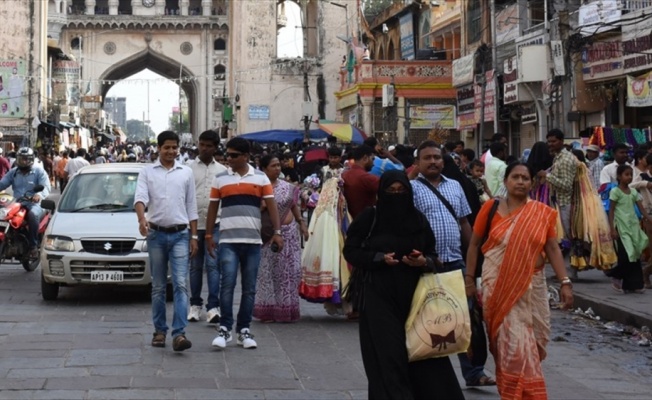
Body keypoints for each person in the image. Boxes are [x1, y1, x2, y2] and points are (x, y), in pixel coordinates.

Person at [343, 170, 464, 400]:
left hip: (416, 297)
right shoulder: (370, 218)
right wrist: (378, 258)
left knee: (423, 355)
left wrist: (422, 261)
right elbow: (351, 250)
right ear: (382, 193)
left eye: (401, 191)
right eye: (391, 191)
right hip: (379, 296)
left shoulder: (418, 219)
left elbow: (432, 255)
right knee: (389, 356)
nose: (396, 196)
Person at [465, 162, 574, 400]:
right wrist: (469, 280)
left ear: (532, 183)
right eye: (515, 177)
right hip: (499, 286)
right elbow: (474, 245)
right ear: (505, 181)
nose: (521, 182)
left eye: (525, 178)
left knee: (532, 344)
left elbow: (552, 248)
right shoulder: (491, 208)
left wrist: (565, 281)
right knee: (513, 345)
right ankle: (518, 394)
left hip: (533, 286)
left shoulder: (542, 212)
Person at [411, 140, 495, 387]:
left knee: (466, 318)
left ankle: (474, 372)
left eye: (437, 157)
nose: (433, 162)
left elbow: (464, 223)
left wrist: (474, 257)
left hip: (456, 261)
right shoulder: (412, 189)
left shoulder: (456, 186)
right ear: (417, 163)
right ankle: (426, 375)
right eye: (427, 158)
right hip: (426, 264)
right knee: (429, 320)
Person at [205, 137, 284, 350]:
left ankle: (244, 330)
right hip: (228, 240)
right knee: (227, 285)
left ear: (245, 157)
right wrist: (209, 236)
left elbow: (272, 206)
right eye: (227, 154)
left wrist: (278, 232)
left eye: (233, 155)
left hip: (252, 242)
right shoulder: (220, 178)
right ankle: (225, 328)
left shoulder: (260, 179)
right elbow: (213, 208)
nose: (228, 158)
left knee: (249, 289)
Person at [134, 131, 199, 352]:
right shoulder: (147, 172)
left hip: (181, 234)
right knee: (159, 286)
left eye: (174, 147)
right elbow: (140, 199)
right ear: (158, 148)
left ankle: (179, 334)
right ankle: (159, 331)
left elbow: (191, 206)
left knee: (181, 284)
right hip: (156, 235)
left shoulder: (186, 173)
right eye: (166, 148)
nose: (171, 151)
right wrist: (142, 219)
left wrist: (194, 236)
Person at [254, 155, 309, 323]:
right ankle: (268, 311)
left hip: (289, 233)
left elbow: (294, 206)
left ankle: (286, 309)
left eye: (278, 165)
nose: (277, 168)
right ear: (264, 168)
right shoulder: (257, 187)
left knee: (288, 272)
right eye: (273, 166)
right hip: (267, 234)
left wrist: (301, 223)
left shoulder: (289, 187)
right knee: (268, 271)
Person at [186, 130, 227, 324]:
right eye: (202, 144)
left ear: (215, 147)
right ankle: (195, 305)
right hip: (192, 225)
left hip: (215, 224)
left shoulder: (222, 171)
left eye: (208, 145)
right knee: (195, 266)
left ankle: (213, 306)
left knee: (213, 266)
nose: (204, 148)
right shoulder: (187, 168)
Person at [539, 129, 578, 276]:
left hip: (566, 203)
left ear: (562, 141)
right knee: (563, 239)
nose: (551, 144)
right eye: (549, 141)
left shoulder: (566, 159)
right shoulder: (557, 158)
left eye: (554, 141)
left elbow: (566, 184)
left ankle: (571, 270)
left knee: (569, 237)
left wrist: (547, 176)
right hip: (558, 202)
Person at [0, 147, 51, 259]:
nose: (23, 161)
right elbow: (2, 184)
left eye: (26, 159)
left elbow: (46, 187)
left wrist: (39, 195)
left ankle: (33, 246)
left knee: (32, 215)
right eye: (21, 159)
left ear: (31, 159)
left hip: (35, 203)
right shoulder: (13, 172)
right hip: (17, 203)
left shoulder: (39, 172)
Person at [609, 164, 649, 294]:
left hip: (633, 226)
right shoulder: (615, 192)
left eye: (631, 175)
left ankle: (633, 284)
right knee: (628, 254)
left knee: (636, 254)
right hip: (621, 226)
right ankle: (616, 275)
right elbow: (612, 211)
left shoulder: (633, 192)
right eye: (626, 175)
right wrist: (612, 229)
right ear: (619, 176)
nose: (629, 177)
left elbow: (641, 208)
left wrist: (648, 218)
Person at [342, 145, 379, 219]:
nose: (373, 163)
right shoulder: (367, 178)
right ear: (365, 158)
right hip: (366, 222)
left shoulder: (344, 175)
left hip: (348, 222)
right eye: (372, 159)